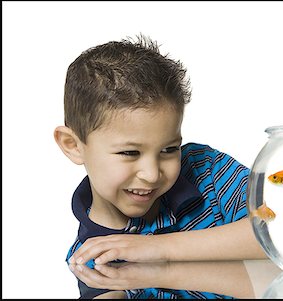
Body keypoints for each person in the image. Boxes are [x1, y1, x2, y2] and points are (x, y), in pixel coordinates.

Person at [54, 34, 267, 272]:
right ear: (73, 145)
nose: (152, 174)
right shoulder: (89, 258)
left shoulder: (206, 171)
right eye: (130, 152)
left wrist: (159, 248)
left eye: (169, 149)